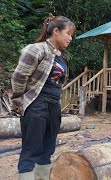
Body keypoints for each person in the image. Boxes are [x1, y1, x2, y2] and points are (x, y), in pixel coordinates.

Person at [10, 15, 75, 179]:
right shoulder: (36, 49)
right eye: (68, 33)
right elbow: (19, 77)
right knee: (31, 150)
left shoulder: (62, 56)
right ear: (56, 31)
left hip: (54, 106)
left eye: (71, 34)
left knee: (47, 150)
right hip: (36, 104)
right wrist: (19, 102)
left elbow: (58, 84)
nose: (70, 37)